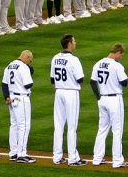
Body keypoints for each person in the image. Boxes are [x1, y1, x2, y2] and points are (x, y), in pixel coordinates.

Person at [90, 44, 128, 168]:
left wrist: (98, 98)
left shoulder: (98, 63)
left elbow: (92, 82)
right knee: (117, 130)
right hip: (114, 100)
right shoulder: (117, 66)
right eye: (121, 55)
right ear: (117, 52)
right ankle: (117, 161)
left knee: (102, 129)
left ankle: (97, 158)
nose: (121, 58)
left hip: (102, 99)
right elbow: (124, 83)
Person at [51, 34, 86, 166]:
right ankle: (73, 158)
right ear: (69, 44)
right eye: (74, 41)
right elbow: (80, 79)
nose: (75, 43)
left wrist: (60, 89)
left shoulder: (55, 58)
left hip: (59, 92)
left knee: (58, 126)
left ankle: (57, 157)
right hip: (71, 93)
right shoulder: (73, 60)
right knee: (72, 127)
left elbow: (52, 80)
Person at [2, 50, 36, 163]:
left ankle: (13, 153)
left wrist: (6, 97)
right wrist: (30, 73)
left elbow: (4, 84)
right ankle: (21, 154)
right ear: (26, 57)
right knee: (24, 126)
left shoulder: (9, 65)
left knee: (14, 125)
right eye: (29, 60)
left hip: (11, 98)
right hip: (21, 99)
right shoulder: (23, 67)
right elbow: (28, 84)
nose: (29, 62)